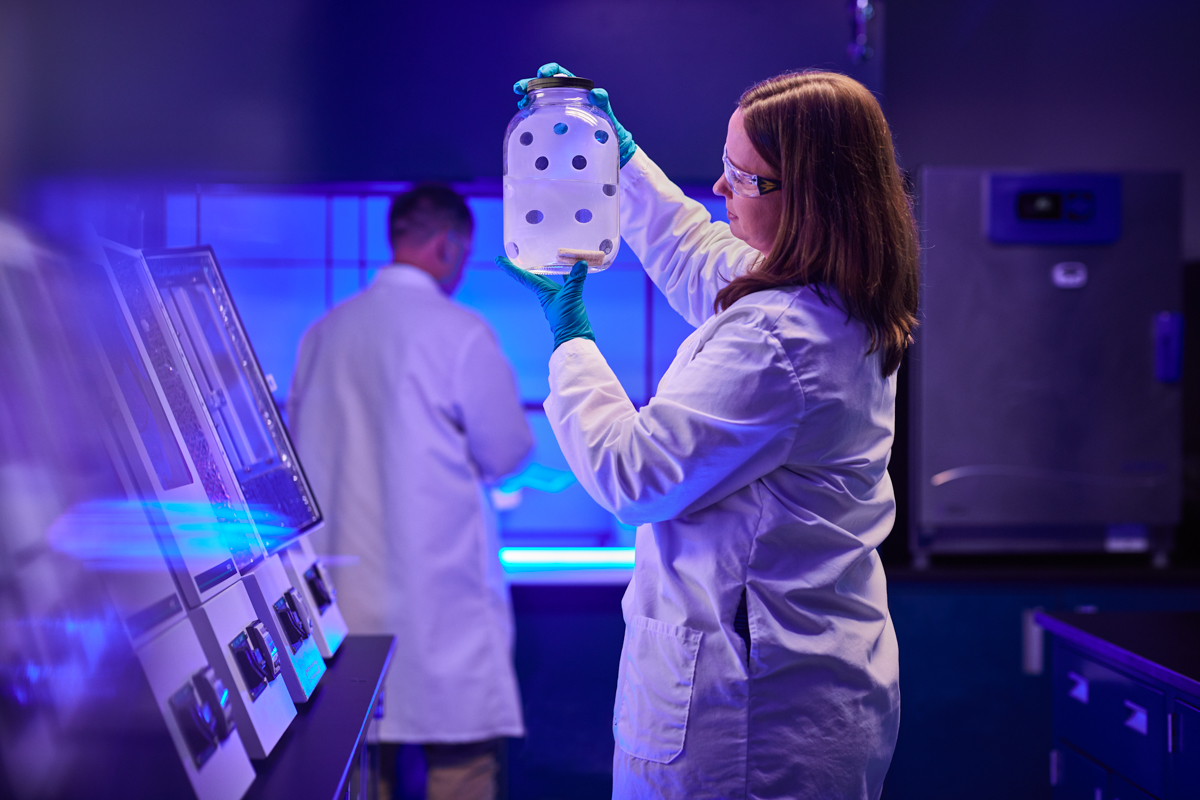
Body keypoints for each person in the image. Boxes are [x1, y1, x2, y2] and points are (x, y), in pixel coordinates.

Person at [499, 66, 919, 799]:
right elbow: (696, 255)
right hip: (799, 688)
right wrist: (618, 158)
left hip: (752, 721)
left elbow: (631, 475)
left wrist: (569, 337)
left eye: (744, 178)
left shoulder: (783, 339)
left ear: (812, 197)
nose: (720, 190)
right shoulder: (829, 297)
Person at [289, 184, 533, 800]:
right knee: (462, 768)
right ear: (449, 245)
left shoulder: (323, 334)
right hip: (440, 604)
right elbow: (507, 452)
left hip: (346, 608)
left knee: (365, 775)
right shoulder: (460, 333)